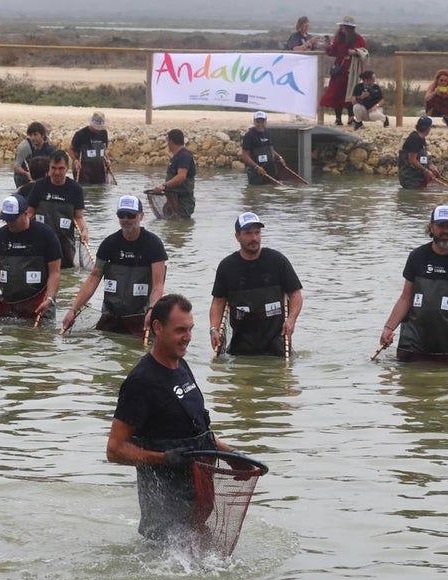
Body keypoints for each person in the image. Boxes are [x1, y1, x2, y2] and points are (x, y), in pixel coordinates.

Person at [106, 293, 230, 542]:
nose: (187, 337)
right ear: (157, 328)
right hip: (165, 522)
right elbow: (115, 449)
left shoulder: (181, 365)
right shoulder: (141, 382)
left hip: (196, 511)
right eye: (180, 330)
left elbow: (200, 433)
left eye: (190, 329)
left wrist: (232, 455)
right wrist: (163, 458)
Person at [378, 205, 448, 365]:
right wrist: (389, 328)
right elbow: (406, 298)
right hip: (412, 344)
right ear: (431, 227)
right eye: (441, 226)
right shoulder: (417, 256)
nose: (445, 231)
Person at [61, 195, 167, 337]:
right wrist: (73, 309)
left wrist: (152, 310)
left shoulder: (154, 245)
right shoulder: (109, 243)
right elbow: (94, 276)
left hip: (141, 316)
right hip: (111, 316)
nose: (125, 219)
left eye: (130, 215)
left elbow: (158, 285)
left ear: (141, 216)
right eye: (121, 215)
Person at [209, 212, 303, 357]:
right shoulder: (227, 266)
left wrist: (291, 320)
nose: (254, 238)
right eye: (248, 233)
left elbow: (295, 294)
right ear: (237, 237)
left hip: (277, 345)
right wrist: (213, 329)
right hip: (241, 346)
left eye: (257, 233)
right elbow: (218, 302)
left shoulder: (277, 261)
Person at [0, 194, 61, 323]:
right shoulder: (0, 236)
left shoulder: (46, 235)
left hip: (39, 305)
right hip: (8, 306)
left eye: (13, 219)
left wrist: (49, 299)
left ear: (26, 213)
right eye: (6, 219)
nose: (9, 223)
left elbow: (55, 272)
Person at [26, 150, 89, 270]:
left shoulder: (75, 189)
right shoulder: (39, 186)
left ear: (67, 169)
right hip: (40, 241)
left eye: (61, 168)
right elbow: (30, 212)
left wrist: (84, 231)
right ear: (49, 168)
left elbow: (78, 217)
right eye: (53, 168)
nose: (56, 172)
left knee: (65, 273)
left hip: (65, 243)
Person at [319, 16, 367, 126]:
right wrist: (328, 45)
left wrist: (355, 52)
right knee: (337, 94)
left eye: (344, 27)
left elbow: (364, 51)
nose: (342, 29)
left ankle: (351, 117)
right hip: (339, 70)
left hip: (351, 71)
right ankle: (338, 118)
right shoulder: (339, 39)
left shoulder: (358, 39)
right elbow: (333, 51)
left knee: (350, 93)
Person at [152, 129, 196, 220]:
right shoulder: (177, 156)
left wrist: (163, 186)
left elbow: (181, 176)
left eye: (168, 140)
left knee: (178, 228)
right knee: (170, 228)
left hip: (182, 203)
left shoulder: (184, 156)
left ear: (171, 141)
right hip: (172, 200)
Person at [240, 111, 288, 184]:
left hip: (270, 171)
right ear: (254, 122)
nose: (260, 124)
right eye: (258, 122)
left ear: (266, 122)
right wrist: (257, 167)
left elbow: (271, 150)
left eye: (262, 122)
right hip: (256, 173)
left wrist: (279, 157)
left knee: (271, 191)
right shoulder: (249, 135)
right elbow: (245, 156)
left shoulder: (268, 133)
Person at [398, 116, 443, 189]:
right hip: (410, 178)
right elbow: (412, 160)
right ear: (428, 128)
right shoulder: (415, 139)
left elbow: (423, 157)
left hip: (418, 177)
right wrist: (426, 171)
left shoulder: (421, 139)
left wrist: (430, 165)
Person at [69, 111, 111, 185]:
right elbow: (70, 149)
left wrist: (107, 159)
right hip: (83, 169)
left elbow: (104, 148)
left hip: (99, 168)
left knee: (100, 190)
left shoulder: (103, 133)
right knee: (85, 190)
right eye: (96, 128)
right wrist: (75, 161)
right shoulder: (80, 134)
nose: (97, 130)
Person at [12, 122, 54, 188]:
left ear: (43, 135)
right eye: (31, 135)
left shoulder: (50, 151)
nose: (32, 138)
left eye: (35, 135)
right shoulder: (35, 152)